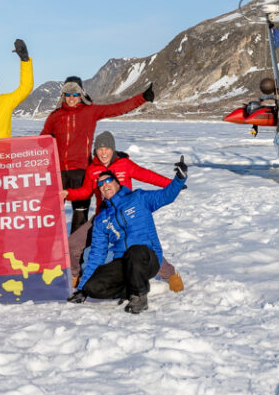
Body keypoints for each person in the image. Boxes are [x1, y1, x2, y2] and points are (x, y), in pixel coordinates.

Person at [71, 161, 187, 312]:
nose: (104, 185)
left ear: (117, 183)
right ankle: (128, 290)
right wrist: (82, 289)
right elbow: (97, 254)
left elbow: (166, 196)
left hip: (147, 258)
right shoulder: (101, 219)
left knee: (135, 251)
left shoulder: (138, 198)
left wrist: (179, 178)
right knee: (92, 286)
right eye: (100, 184)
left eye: (108, 180)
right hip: (123, 263)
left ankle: (139, 295)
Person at [42, 79, 158, 230]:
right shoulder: (54, 116)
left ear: (81, 94)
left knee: (80, 214)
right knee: (52, 213)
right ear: (63, 95)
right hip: (58, 172)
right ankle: (50, 249)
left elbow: (118, 108)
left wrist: (142, 98)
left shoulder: (90, 111)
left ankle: (78, 252)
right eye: (68, 94)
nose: (71, 97)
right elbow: (41, 141)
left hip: (81, 171)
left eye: (75, 93)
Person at [63, 133, 175, 280]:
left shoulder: (125, 164)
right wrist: (67, 193)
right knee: (72, 245)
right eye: (100, 149)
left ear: (113, 149)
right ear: (95, 151)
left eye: (107, 148)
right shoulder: (92, 170)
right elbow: (85, 191)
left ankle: (170, 275)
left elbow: (147, 175)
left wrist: (174, 184)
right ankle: (75, 277)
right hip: (103, 218)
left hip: (128, 217)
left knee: (142, 249)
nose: (103, 152)